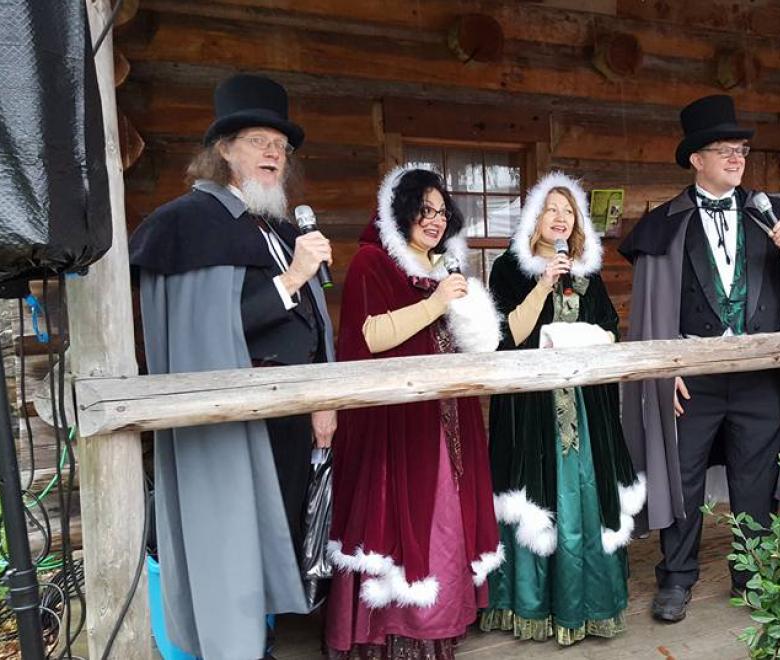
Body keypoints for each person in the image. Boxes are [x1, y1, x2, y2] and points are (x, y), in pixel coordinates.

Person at [129, 73, 337, 660]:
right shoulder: (188, 224)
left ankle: (259, 638)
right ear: (223, 149)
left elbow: (315, 323)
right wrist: (293, 278)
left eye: (282, 146)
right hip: (232, 419)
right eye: (258, 141)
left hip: (289, 415)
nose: (274, 154)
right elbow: (214, 331)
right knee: (232, 535)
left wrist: (325, 399)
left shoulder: (280, 228)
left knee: (274, 532)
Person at [619, 94, 780, 623]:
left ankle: (752, 574)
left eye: (741, 150)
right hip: (692, 378)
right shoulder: (666, 223)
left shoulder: (770, 216)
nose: (737, 159)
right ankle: (676, 578)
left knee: (754, 479)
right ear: (697, 159)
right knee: (683, 479)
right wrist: (664, 370)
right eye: (726, 150)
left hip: (760, 376)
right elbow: (652, 310)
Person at [325, 166, 504, 660]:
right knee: (404, 517)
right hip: (397, 422)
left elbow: (467, 339)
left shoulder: (444, 267)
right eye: (424, 210)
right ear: (400, 211)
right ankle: (395, 633)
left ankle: (438, 625)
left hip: (450, 417)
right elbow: (369, 336)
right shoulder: (372, 262)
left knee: (446, 517)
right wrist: (436, 303)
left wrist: (473, 315)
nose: (434, 220)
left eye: (442, 212)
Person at [480, 172, 644, 645]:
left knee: (584, 493)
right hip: (530, 409)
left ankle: (588, 603)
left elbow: (610, 329)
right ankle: (532, 604)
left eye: (568, 211)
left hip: (584, 410)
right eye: (551, 209)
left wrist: (583, 336)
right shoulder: (509, 270)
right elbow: (507, 335)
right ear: (534, 218)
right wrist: (543, 284)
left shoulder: (586, 273)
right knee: (536, 498)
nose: (560, 218)